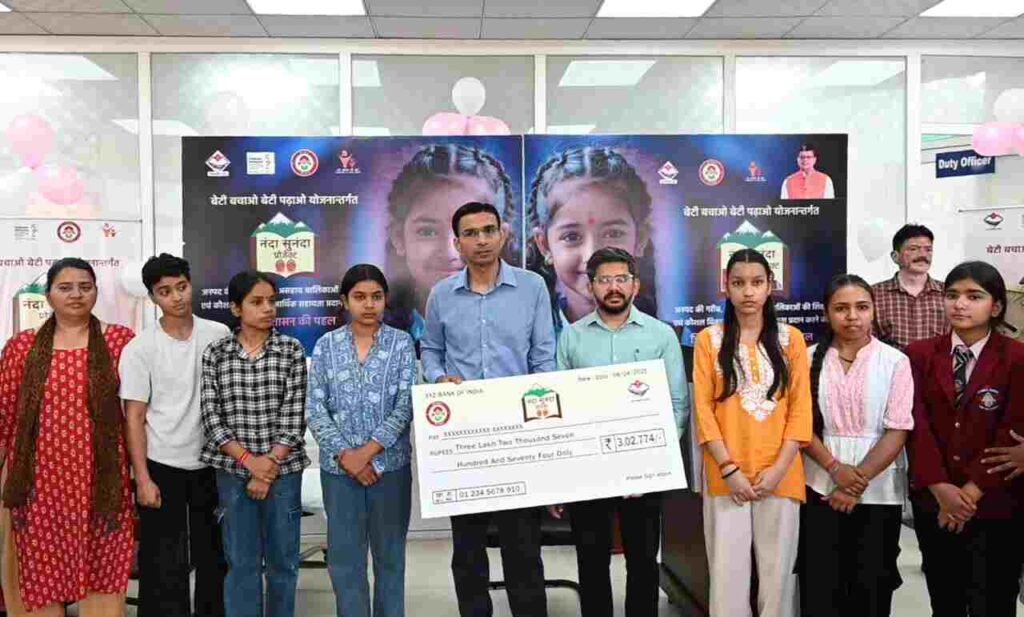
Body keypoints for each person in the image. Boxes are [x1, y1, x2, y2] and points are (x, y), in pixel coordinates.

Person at [421, 201, 556, 617]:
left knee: (523, 546)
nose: (481, 240)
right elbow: (431, 350)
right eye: (471, 233)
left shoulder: (532, 287)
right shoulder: (442, 294)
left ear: (502, 234)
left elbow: (544, 357)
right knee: (467, 548)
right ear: (457, 243)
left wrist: (542, 421)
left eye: (488, 231)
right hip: (463, 436)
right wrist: (438, 379)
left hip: (517, 434)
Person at [547, 247, 685, 617]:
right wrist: (561, 476)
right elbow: (560, 411)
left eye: (621, 279)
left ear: (635, 285)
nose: (613, 287)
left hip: (644, 469)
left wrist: (653, 459)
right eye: (604, 280)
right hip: (588, 471)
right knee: (591, 561)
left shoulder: (661, 335)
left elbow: (677, 404)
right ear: (591, 286)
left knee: (643, 561)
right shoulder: (572, 338)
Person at [0, 257, 135, 616]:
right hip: (39, 482)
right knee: (38, 560)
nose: (76, 294)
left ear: (95, 291)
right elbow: (6, 415)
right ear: (48, 296)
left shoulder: (120, 341)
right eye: (65, 287)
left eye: (85, 287)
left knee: (103, 559)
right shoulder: (22, 347)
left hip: (101, 478)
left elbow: (135, 413)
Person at [693, 248, 811, 617]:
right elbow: (703, 412)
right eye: (739, 283)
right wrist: (729, 469)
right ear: (725, 286)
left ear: (770, 286)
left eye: (757, 282)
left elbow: (800, 410)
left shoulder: (791, 339)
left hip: (782, 472)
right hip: (725, 473)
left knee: (778, 576)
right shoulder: (708, 340)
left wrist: (778, 470)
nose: (748, 292)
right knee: (727, 573)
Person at [907, 260, 1024, 617]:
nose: (960, 304)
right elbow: (916, 425)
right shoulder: (919, 354)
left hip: (996, 500)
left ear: (996, 306)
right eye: (952, 295)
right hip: (934, 501)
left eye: (974, 296)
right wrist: (941, 488)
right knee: (945, 600)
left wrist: (971, 492)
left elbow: (1011, 431)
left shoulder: (1017, 357)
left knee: (995, 600)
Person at [119, 253, 230, 617]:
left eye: (181, 287)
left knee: (214, 555)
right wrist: (142, 479)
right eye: (165, 291)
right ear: (153, 297)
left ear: (191, 284)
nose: (176, 297)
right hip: (161, 463)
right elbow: (134, 416)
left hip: (212, 462)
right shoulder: (140, 348)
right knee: (163, 561)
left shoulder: (219, 334)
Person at [798, 274, 913, 617]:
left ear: (874, 310)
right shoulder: (806, 358)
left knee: (871, 585)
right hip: (819, 485)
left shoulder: (895, 361)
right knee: (820, 584)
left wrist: (855, 482)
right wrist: (835, 470)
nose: (852, 316)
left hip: (878, 490)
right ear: (826, 313)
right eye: (841, 308)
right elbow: (800, 426)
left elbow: (898, 429)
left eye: (862, 307)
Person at [307, 264, 416, 617]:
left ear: (385, 299)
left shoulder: (401, 344)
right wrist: (347, 456)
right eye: (359, 297)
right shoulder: (326, 346)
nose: (369, 304)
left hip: (390, 469)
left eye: (376, 296)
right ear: (344, 301)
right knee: (345, 561)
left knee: (390, 559)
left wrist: (366, 453)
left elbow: (406, 406)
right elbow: (315, 409)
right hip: (340, 473)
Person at [200, 271, 309, 617]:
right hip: (233, 473)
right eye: (257, 302)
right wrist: (250, 463)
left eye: (272, 301)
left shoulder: (291, 350)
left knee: (283, 562)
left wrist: (267, 467)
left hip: (283, 473)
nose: (268, 309)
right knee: (241, 562)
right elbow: (212, 419)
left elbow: (294, 417)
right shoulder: (216, 353)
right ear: (236, 308)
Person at [385, 143, 518, 344]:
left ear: (500, 236)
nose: (449, 253)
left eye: (469, 232)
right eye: (428, 232)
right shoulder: (376, 335)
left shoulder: (523, 322)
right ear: (398, 237)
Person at [527, 146, 658, 335]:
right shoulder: (528, 339)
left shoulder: (668, 336)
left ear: (640, 238)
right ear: (544, 245)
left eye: (613, 234)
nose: (592, 255)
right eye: (571, 237)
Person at [873, 224, 947, 351]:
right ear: (895, 257)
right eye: (913, 249)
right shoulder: (874, 294)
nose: (923, 255)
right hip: (890, 363)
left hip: (937, 363)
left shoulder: (948, 293)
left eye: (928, 249)